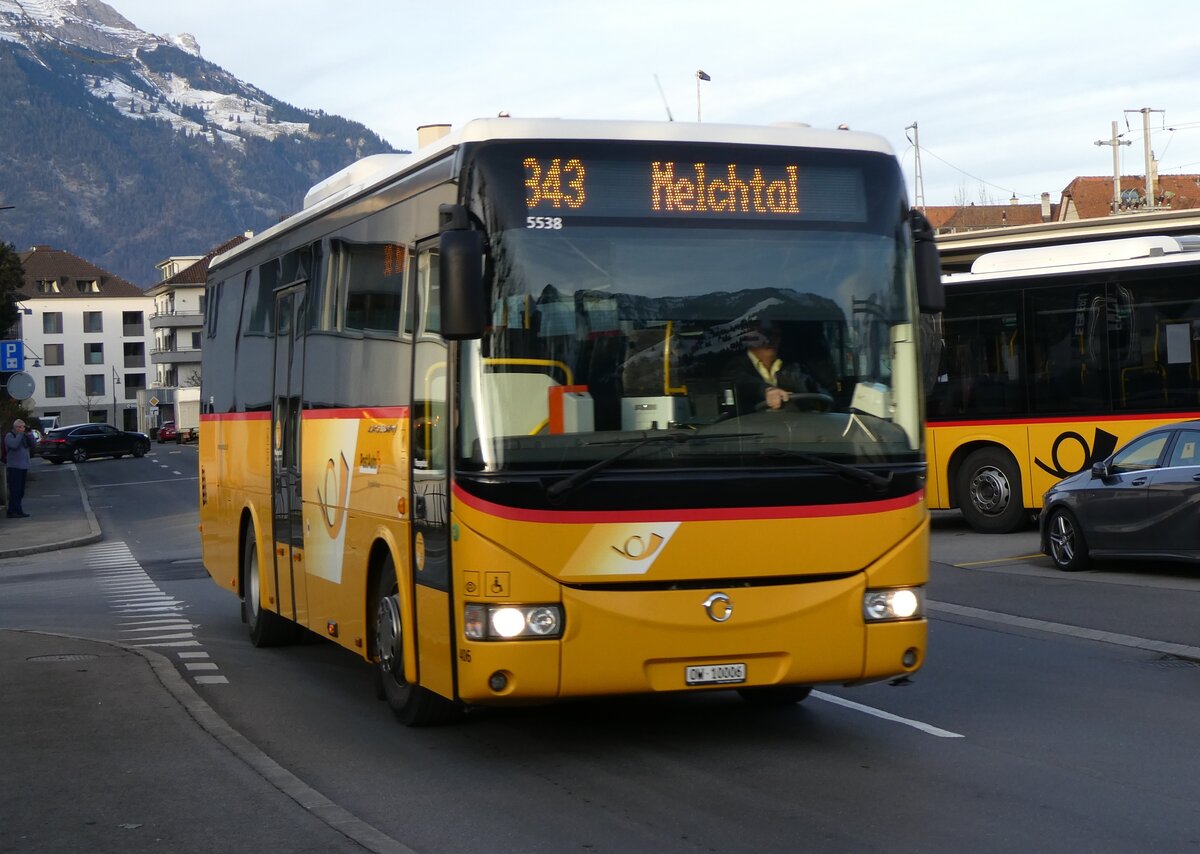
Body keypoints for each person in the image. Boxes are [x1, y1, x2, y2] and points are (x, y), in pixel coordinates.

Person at [722, 318, 827, 412]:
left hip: (795, 428)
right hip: (752, 429)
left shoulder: (794, 367)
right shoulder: (734, 366)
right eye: (766, 334)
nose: (771, 340)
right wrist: (767, 390)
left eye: (776, 335)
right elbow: (742, 382)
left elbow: (820, 394)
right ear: (748, 338)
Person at [5, 418, 38, 518]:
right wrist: (20, 434)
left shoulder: (24, 436)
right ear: (15, 427)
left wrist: (29, 434)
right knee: (15, 490)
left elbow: (33, 444)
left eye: (22, 427)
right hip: (14, 467)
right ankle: (14, 511)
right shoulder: (10, 436)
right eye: (19, 427)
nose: (21, 429)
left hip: (23, 466)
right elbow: (14, 445)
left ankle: (15, 510)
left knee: (21, 491)